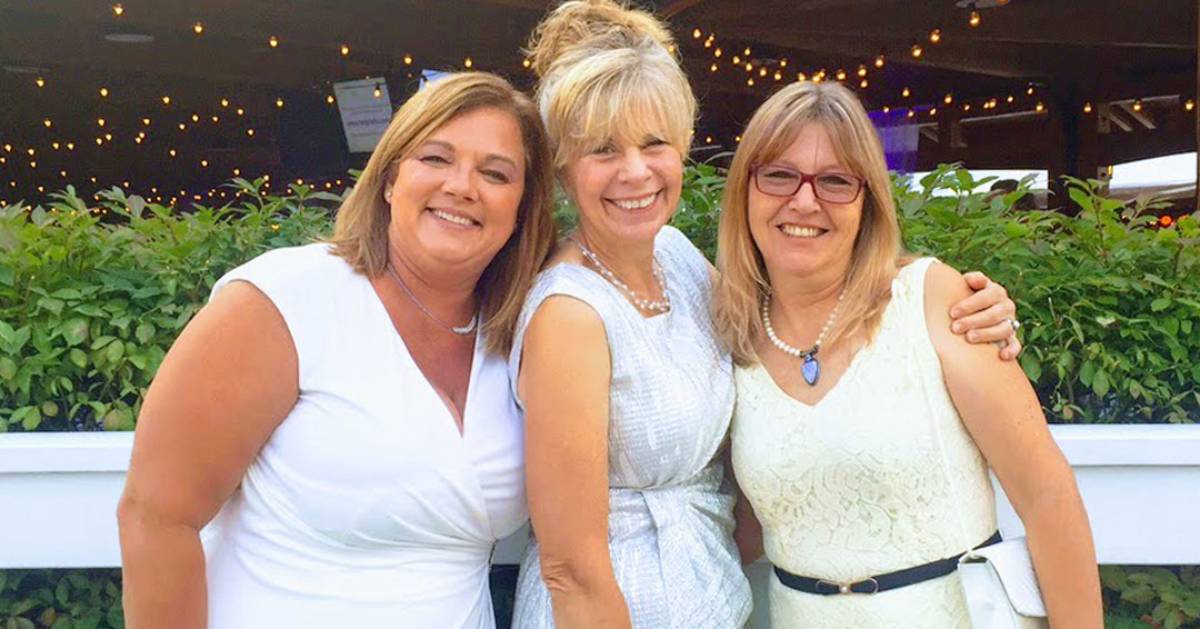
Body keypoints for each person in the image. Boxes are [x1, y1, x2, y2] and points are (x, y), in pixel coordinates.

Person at [509, 2, 1022, 627]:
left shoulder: (676, 257)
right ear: (563, 164)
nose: (635, 172)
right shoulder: (571, 313)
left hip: (713, 600)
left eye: (654, 144)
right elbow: (571, 569)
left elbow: (798, 316)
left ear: (682, 149)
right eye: (603, 150)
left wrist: (955, 303)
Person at [117, 72, 557, 629]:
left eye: (495, 174)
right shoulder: (287, 299)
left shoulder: (518, 331)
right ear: (391, 179)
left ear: (522, 208)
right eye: (436, 159)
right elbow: (157, 515)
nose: (462, 186)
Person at [717, 81, 1102, 628]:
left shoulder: (933, 300)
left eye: (834, 181)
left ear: (868, 199)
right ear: (745, 191)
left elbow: (1047, 495)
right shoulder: (728, 331)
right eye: (778, 174)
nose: (804, 201)